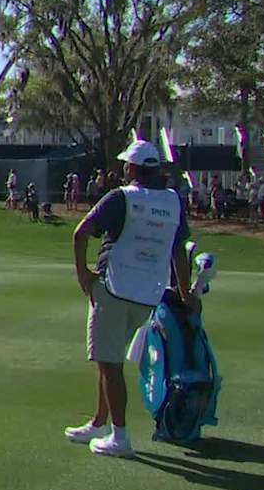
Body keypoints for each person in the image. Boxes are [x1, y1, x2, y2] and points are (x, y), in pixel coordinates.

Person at [65, 139, 195, 459]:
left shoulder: (121, 197)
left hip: (114, 287)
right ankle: (99, 422)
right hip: (148, 294)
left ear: (133, 169)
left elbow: (80, 233)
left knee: (110, 364)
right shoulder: (173, 201)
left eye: (127, 165)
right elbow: (178, 251)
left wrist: (84, 276)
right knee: (109, 358)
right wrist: (185, 292)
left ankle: (119, 436)